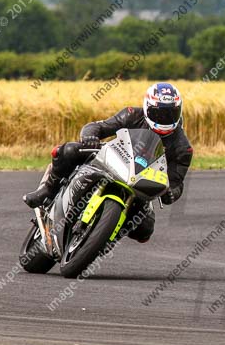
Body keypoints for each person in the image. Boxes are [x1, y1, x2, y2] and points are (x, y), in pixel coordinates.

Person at [23, 82, 193, 243]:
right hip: (113, 158)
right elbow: (98, 126)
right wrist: (90, 137)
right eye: (159, 113)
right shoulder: (132, 114)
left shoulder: (183, 148)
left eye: (171, 114)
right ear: (147, 107)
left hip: (140, 183)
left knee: (145, 230)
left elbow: (177, 181)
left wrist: (171, 193)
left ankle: (105, 236)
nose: (164, 118)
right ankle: (47, 191)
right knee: (67, 151)